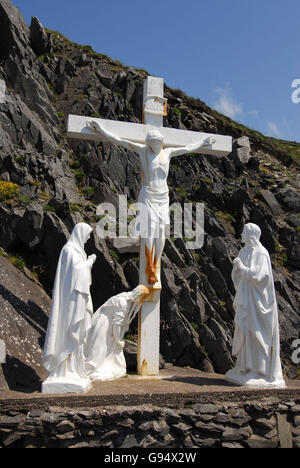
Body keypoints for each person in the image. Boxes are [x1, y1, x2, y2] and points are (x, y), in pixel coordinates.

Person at [87, 121, 215, 287]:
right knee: (149, 229)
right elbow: (119, 140)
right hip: (148, 194)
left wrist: (203, 142)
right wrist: (101, 130)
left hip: (163, 196)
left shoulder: (168, 153)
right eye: (151, 143)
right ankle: (149, 264)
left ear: (161, 142)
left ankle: (155, 262)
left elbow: (188, 148)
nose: (153, 145)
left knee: (161, 230)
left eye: (156, 143)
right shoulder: (143, 151)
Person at [225, 223, 285, 388]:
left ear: (251, 234)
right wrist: (236, 271)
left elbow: (260, 276)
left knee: (256, 333)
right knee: (246, 331)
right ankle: (244, 368)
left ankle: (259, 371)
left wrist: (242, 267)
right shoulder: (244, 251)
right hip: (246, 298)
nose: (241, 234)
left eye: (244, 232)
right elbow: (238, 277)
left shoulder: (261, 253)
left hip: (258, 302)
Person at [42, 223, 96, 394]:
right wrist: (89, 262)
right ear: (80, 233)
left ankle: (73, 370)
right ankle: (63, 370)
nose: (88, 238)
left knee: (78, 337)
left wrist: (87, 261)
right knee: (69, 334)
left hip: (78, 300)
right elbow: (77, 274)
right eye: (87, 235)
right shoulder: (69, 250)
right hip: (70, 304)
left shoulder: (77, 251)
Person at [85, 285, 150, 381]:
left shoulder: (128, 300)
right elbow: (116, 325)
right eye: (142, 297)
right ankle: (92, 368)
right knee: (100, 348)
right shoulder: (122, 302)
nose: (141, 300)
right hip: (103, 323)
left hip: (109, 324)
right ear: (138, 295)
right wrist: (118, 340)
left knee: (111, 348)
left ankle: (114, 365)